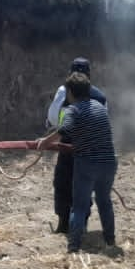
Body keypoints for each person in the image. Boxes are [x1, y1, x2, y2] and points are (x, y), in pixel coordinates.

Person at [37, 73, 119, 256]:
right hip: (109, 162)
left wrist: (45, 142)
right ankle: (110, 239)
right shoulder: (99, 107)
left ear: (71, 93)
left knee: (79, 205)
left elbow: (63, 131)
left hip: (88, 162)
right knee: (104, 201)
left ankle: (74, 246)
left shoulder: (73, 110)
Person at [44, 57, 109, 233]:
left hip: (67, 147)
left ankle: (63, 224)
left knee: (63, 184)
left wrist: (50, 136)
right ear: (89, 75)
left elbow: (52, 116)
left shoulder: (64, 91)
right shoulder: (100, 97)